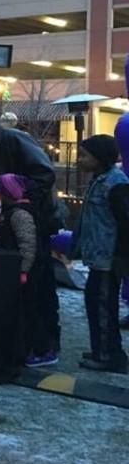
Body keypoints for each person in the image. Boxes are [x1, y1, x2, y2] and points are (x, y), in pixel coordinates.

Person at [0, 117, 62, 353]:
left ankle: (44, 343)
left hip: (31, 219)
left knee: (39, 286)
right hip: (14, 218)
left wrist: (21, 202)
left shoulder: (13, 140)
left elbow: (44, 175)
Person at [72, 135, 129, 373]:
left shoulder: (116, 184)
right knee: (94, 303)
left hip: (108, 259)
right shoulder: (100, 179)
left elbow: (124, 222)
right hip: (98, 257)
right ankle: (102, 349)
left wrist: (118, 257)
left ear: (99, 157)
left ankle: (108, 356)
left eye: (85, 155)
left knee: (103, 306)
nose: (80, 160)